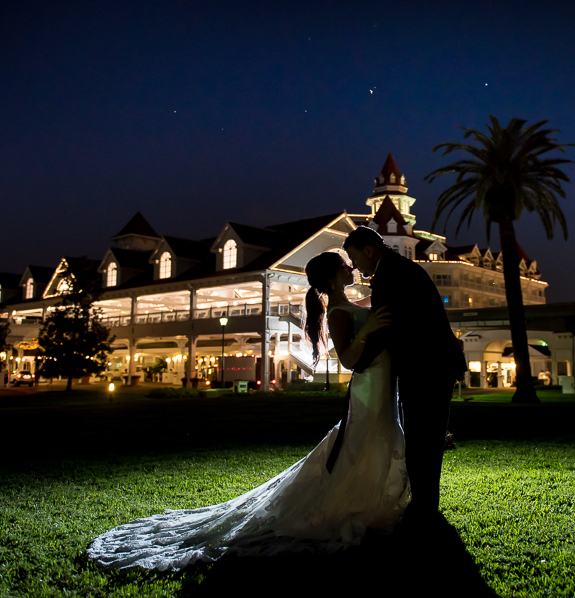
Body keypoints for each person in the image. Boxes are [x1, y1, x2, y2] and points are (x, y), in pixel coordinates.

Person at [87, 252, 406, 570]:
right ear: (332, 278)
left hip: (379, 382)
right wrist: (368, 330)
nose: (351, 268)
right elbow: (349, 360)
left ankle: (368, 497)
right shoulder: (337, 312)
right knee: (363, 440)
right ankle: (352, 503)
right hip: (368, 385)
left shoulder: (348, 304)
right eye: (343, 266)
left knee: (368, 439)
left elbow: (369, 303)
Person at [344, 226, 467, 528]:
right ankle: (425, 503)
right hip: (432, 364)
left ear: (369, 251)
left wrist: (357, 361)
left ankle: (424, 507)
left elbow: (386, 325)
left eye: (355, 258)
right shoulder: (398, 270)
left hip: (426, 366)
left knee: (422, 435)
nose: (355, 266)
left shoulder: (390, 275)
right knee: (426, 434)